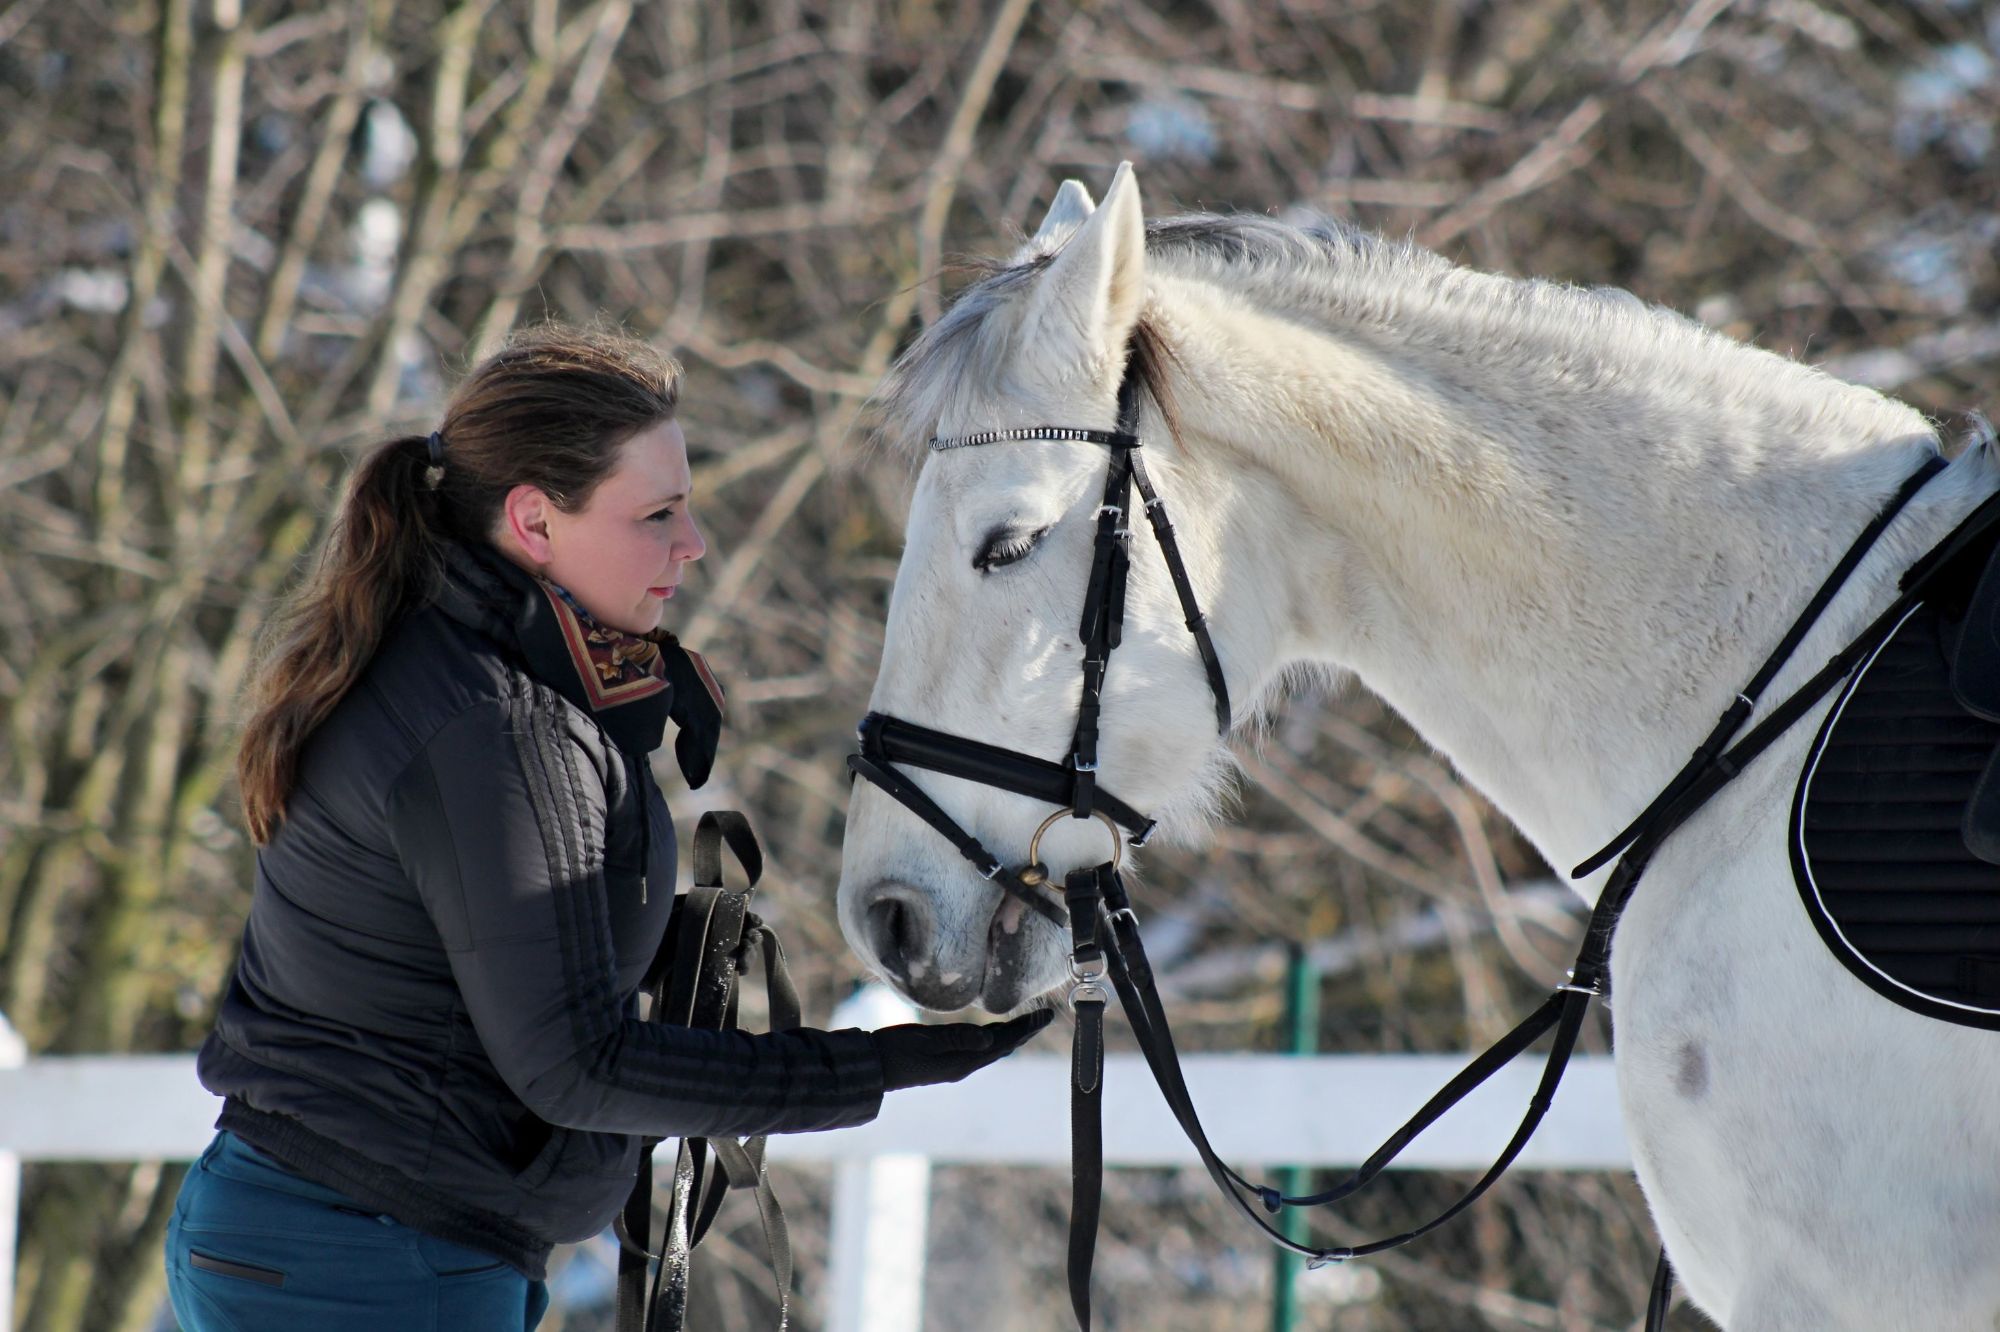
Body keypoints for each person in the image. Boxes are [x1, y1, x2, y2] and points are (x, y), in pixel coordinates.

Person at [165, 323, 1049, 1330]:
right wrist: (866, 1069)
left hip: (337, 1240)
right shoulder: (491, 726)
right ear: (535, 522)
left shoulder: (459, 669)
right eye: (657, 513)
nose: (691, 543)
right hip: (366, 1262)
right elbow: (572, 1065)